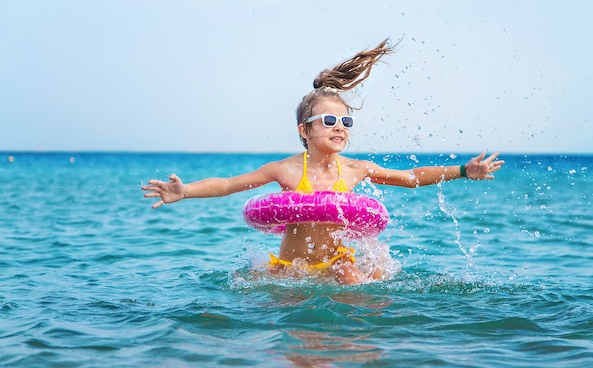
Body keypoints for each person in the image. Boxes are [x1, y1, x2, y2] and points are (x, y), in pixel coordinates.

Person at [142, 39, 504, 285]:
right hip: (292, 268)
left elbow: (410, 177)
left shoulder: (357, 169)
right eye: (329, 121)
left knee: (354, 282)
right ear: (305, 130)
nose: (339, 128)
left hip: (336, 264)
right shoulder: (284, 170)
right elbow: (229, 184)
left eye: (346, 122)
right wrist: (185, 191)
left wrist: (462, 172)